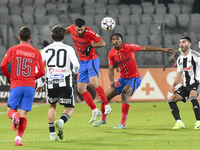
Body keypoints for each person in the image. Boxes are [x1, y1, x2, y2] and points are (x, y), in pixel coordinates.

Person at [93, 33, 174, 129]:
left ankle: (123, 123)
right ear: (111, 42)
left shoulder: (129, 47)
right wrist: (111, 81)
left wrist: (163, 49)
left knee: (124, 94)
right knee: (105, 98)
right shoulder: (111, 53)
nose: (116, 41)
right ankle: (103, 119)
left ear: (121, 40)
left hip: (134, 78)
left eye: (118, 39)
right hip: (122, 79)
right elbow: (110, 69)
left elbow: (145, 48)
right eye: (114, 39)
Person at [0, 26, 45, 146]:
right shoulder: (36, 52)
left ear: (19, 37)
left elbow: (3, 65)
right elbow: (42, 72)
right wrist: (32, 78)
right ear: (31, 38)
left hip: (16, 84)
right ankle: (18, 139)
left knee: (10, 110)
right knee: (24, 113)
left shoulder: (13, 49)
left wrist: (8, 77)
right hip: (30, 86)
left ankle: (14, 115)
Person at [36, 25, 80, 140]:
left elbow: (38, 67)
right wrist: (74, 71)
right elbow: (76, 65)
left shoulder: (45, 49)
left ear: (51, 37)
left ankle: (52, 135)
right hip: (65, 81)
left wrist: (40, 83)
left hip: (51, 82)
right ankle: (61, 121)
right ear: (63, 37)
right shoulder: (68, 48)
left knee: (52, 106)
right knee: (69, 108)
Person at [65, 18, 112, 124]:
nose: (80, 32)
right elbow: (65, 31)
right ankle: (94, 110)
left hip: (92, 60)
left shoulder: (89, 32)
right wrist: (58, 31)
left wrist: (91, 46)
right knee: (80, 88)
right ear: (75, 27)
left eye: (82, 30)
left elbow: (102, 43)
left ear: (84, 27)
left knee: (93, 83)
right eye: (78, 30)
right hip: (82, 62)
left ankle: (107, 105)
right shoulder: (72, 28)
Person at [167, 36, 200, 129]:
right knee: (171, 99)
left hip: (197, 82)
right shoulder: (180, 59)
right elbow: (178, 75)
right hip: (186, 85)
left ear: (189, 44)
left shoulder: (195, 55)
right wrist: (173, 85)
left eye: (184, 42)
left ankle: (199, 122)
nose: (181, 44)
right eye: (180, 42)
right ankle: (179, 122)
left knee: (192, 96)